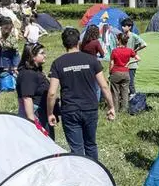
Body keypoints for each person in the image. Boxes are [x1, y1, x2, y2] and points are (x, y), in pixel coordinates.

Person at [47, 28, 116, 161]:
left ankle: (80, 172)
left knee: (76, 149)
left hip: (70, 110)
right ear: (78, 41)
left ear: (63, 43)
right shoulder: (92, 60)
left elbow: (52, 93)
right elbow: (104, 86)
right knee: (91, 144)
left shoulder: (58, 63)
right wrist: (111, 107)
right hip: (90, 108)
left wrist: (50, 113)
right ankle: (95, 171)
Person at [17, 43, 55, 139]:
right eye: (42, 53)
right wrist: (32, 123)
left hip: (42, 113)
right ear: (32, 56)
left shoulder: (35, 71)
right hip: (36, 115)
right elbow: (27, 98)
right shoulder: (28, 74)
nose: (45, 55)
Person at [109, 33, 138, 115]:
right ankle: (124, 109)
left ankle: (115, 109)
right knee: (125, 93)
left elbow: (112, 63)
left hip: (116, 73)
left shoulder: (114, 51)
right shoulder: (129, 50)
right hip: (126, 73)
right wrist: (129, 63)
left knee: (115, 92)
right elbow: (138, 58)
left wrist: (110, 72)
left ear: (119, 40)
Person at [119, 18, 146, 96]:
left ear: (129, 27)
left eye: (124, 26)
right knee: (123, 81)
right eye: (122, 26)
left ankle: (133, 96)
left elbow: (144, 44)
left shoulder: (134, 36)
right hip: (122, 62)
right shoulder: (122, 36)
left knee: (130, 82)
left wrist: (135, 50)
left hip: (131, 63)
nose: (122, 27)